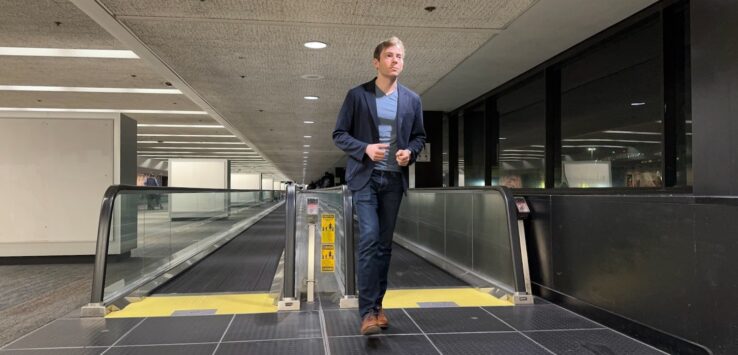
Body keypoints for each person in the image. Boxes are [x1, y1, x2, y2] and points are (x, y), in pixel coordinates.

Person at [332, 36, 426, 336]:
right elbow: (339, 134)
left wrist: (409, 152)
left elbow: (419, 137)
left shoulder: (412, 99)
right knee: (370, 237)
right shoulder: (358, 95)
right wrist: (365, 149)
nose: (395, 60)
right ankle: (368, 312)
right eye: (389, 55)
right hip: (366, 178)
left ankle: (377, 305)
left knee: (384, 246)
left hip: (393, 181)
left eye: (399, 55)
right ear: (377, 61)